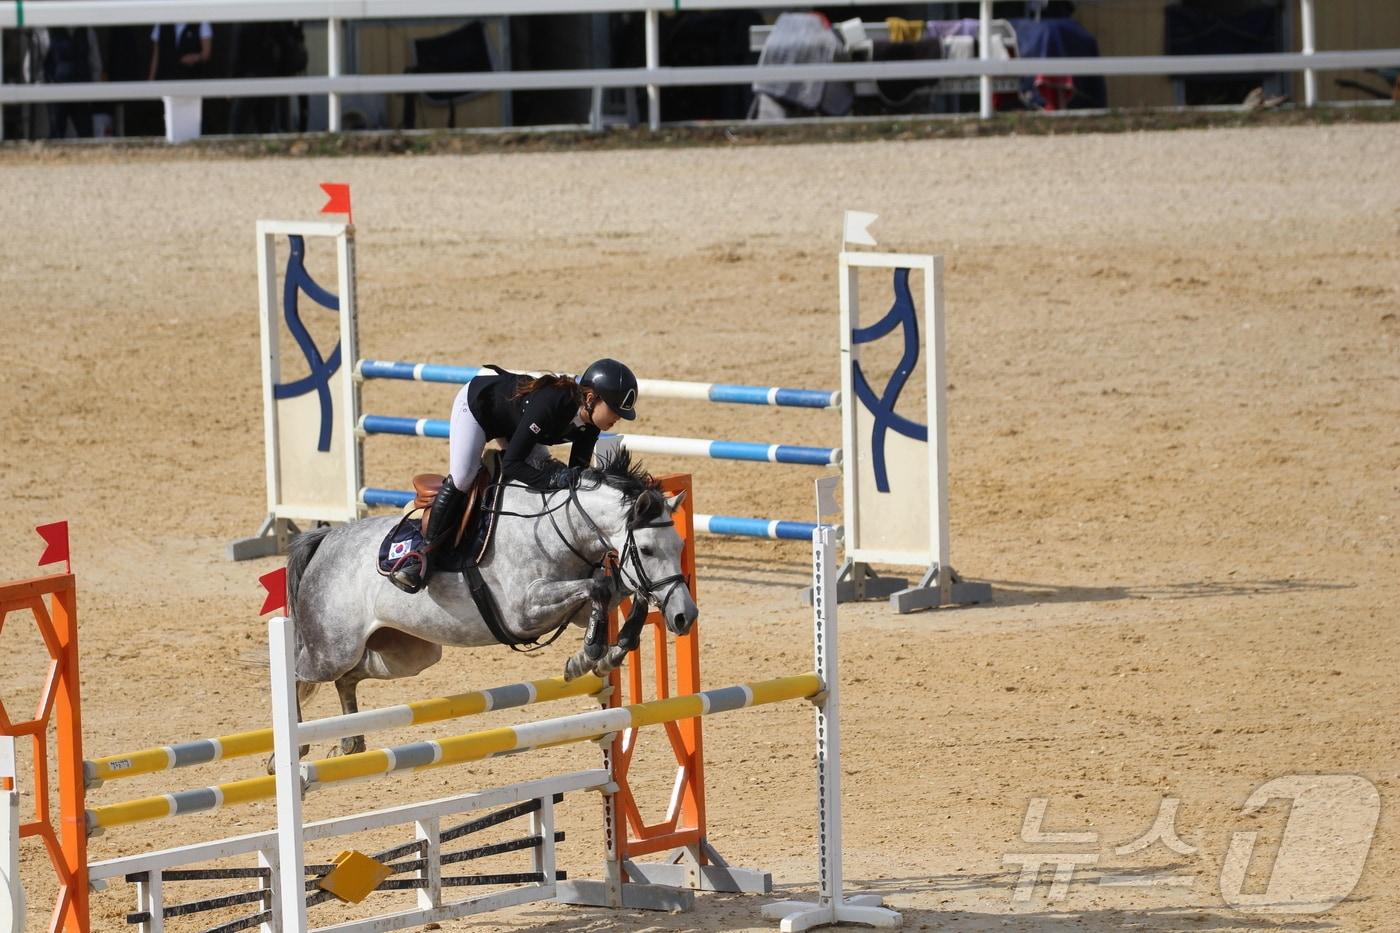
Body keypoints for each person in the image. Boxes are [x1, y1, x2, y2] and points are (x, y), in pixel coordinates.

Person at [389, 359, 639, 592]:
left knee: (550, 469)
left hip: (516, 424)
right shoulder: (552, 404)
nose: (618, 418)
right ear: (591, 398)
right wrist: (552, 480)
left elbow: (577, 475)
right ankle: (422, 554)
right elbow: (511, 464)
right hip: (478, 408)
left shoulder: (591, 423)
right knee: (464, 476)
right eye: (615, 410)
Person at [148, 22, 212, 82]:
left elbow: (206, 54)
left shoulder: (202, 22)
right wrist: (151, 81)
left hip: (191, 79)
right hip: (166, 79)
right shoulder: (161, 23)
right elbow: (155, 56)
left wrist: (195, 57)